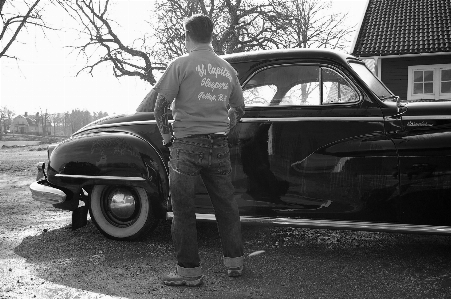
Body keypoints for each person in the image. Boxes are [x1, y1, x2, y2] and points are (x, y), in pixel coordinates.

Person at [151, 14, 245, 287]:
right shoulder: (227, 69)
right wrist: (228, 123)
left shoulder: (180, 65)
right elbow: (239, 107)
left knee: (183, 211)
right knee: (226, 206)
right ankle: (234, 264)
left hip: (186, 147)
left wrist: (167, 134)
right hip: (218, 146)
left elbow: (159, 107)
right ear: (211, 36)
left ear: (187, 35)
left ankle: (189, 273)